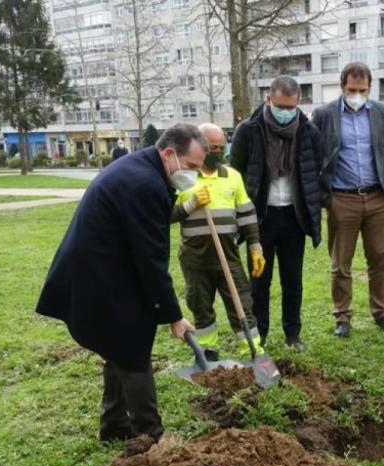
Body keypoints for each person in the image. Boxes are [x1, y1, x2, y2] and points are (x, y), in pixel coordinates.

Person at [36, 124, 205, 444]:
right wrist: (173, 315)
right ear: (170, 154)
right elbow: (152, 261)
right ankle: (151, 436)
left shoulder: (143, 168)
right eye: (193, 167)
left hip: (103, 268)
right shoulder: (146, 185)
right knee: (132, 350)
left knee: (119, 345)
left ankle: (114, 425)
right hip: (97, 275)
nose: (194, 175)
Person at [230, 76, 326, 350]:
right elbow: (236, 172)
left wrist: (315, 204)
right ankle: (259, 334)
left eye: (291, 107)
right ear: (268, 100)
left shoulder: (309, 132)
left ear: (298, 104)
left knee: (292, 279)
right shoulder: (248, 131)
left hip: (294, 218)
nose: (286, 112)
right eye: (280, 106)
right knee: (259, 280)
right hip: (260, 219)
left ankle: (293, 334)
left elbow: (313, 172)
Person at [312, 62, 384, 338]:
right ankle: (342, 316)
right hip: (342, 199)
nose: (357, 94)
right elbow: (312, 155)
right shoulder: (323, 114)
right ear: (342, 86)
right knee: (341, 262)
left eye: (362, 90)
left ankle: (381, 312)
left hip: (379, 197)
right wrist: (322, 194)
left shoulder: (383, 113)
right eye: (352, 89)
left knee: (380, 258)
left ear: (369, 88)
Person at [173, 123, 266, 360]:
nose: (217, 152)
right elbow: (165, 215)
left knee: (241, 307)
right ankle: (207, 354)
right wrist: (190, 204)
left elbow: (247, 215)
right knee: (201, 308)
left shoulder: (232, 177)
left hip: (228, 257)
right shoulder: (184, 178)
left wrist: (255, 247)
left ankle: (253, 352)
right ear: (200, 146)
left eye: (221, 147)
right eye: (212, 147)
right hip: (195, 259)